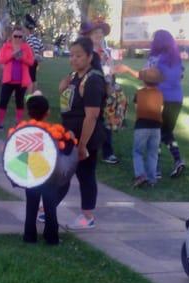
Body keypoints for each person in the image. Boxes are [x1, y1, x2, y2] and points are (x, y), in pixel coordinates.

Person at [114, 29, 185, 178]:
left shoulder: (155, 58)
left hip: (158, 98)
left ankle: (156, 169)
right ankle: (178, 160)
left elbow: (144, 75)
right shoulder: (176, 58)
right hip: (177, 99)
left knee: (158, 132)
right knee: (166, 131)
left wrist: (126, 69)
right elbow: (180, 75)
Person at [59, 37, 107, 230]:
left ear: (89, 57)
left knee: (85, 174)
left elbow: (92, 116)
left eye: (78, 55)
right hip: (70, 134)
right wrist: (62, 87)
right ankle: (48, 208)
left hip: (85, 136)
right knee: (63, 172)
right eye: (71, 55)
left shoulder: (93, 80)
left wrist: (82, 145)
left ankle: (88, 216)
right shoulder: (74, 76)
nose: (74, 59)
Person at [22, 95, 74, 245]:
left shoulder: (23, 130)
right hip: (48, 175)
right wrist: (70, 137)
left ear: (28, 112)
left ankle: (29, 236)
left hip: (30, 174)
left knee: (31, 206)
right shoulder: (52, 131)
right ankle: (51, 237)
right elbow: (67, 148)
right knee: (50, 206)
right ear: (48, 112)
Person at [80, 20, 125, 165]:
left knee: (106, 120)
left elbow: (110, 71)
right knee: (88, 118)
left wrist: (112, 83)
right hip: (91, 89)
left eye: (101, 33)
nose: (99, 36)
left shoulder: (105, 52)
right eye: (96, 33)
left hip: (106, 90)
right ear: (89, 36)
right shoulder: (86, 52)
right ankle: (84, 147)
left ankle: (107, 152)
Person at [0, 25, 34, 129]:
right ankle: (0, 122)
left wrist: (22, 58)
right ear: (12, 36)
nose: (18, 39)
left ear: (23, 37)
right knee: (3, 101)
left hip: (21, 80)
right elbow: (0, 60)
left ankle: (18, 122)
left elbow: (31, 62)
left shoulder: (26, 47)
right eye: (15, 36)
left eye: (20, 37)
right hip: (8, 80)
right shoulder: (6, 46)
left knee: (19, 102)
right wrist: (12, 55)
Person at [132, 80, 163, 188]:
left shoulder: (139, 93)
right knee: (153, 154)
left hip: (141, 126)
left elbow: (137, 108)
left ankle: (140, 175)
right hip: (156, 127)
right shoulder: (160, 93)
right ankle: (152, 179)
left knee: (138, 152)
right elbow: (161, 110)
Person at [24, 14, 44, 93]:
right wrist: (39, 59)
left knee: (30, 78)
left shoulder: (28, 38)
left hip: (30, 60)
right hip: (36, 60)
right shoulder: (37, 39)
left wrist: (31, 57)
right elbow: (41, 49)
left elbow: (31, 48)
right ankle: (34, 92)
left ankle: (30, 94)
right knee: (33, 77)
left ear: (28, 30)